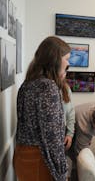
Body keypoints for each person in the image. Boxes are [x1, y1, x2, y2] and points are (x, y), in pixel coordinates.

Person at [13, 36, 71, 181]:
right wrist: (62, 171)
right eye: (66, 58)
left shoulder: (28, 83)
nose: (68, 63)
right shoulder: (48, 87)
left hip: (23, 154)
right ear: (55, 59)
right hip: (39, 159)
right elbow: (51, 137)